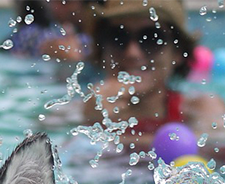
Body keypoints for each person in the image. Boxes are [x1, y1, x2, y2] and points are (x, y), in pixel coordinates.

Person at [83, 0, 225, 155]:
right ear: (102, 50)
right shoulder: (80, 112)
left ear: (178, 52)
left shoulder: (199, 110)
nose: (133, 53)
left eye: (151, 38)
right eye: (118, 37)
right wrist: (90, 121)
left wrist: (99, 139)